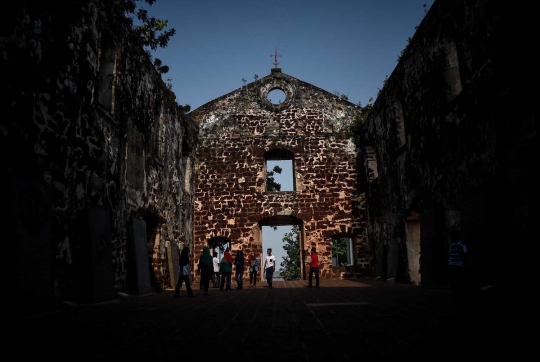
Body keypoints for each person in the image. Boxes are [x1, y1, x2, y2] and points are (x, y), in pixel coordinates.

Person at [447, 230, 468, 297]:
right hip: (452, 263)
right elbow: (450, 253)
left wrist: (463, 264)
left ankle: (459, 292)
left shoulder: (462, 245)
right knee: (453, 279)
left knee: (459, 279)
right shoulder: (452, 244)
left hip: (459, 264)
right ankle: (453, 291)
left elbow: (465, 255)